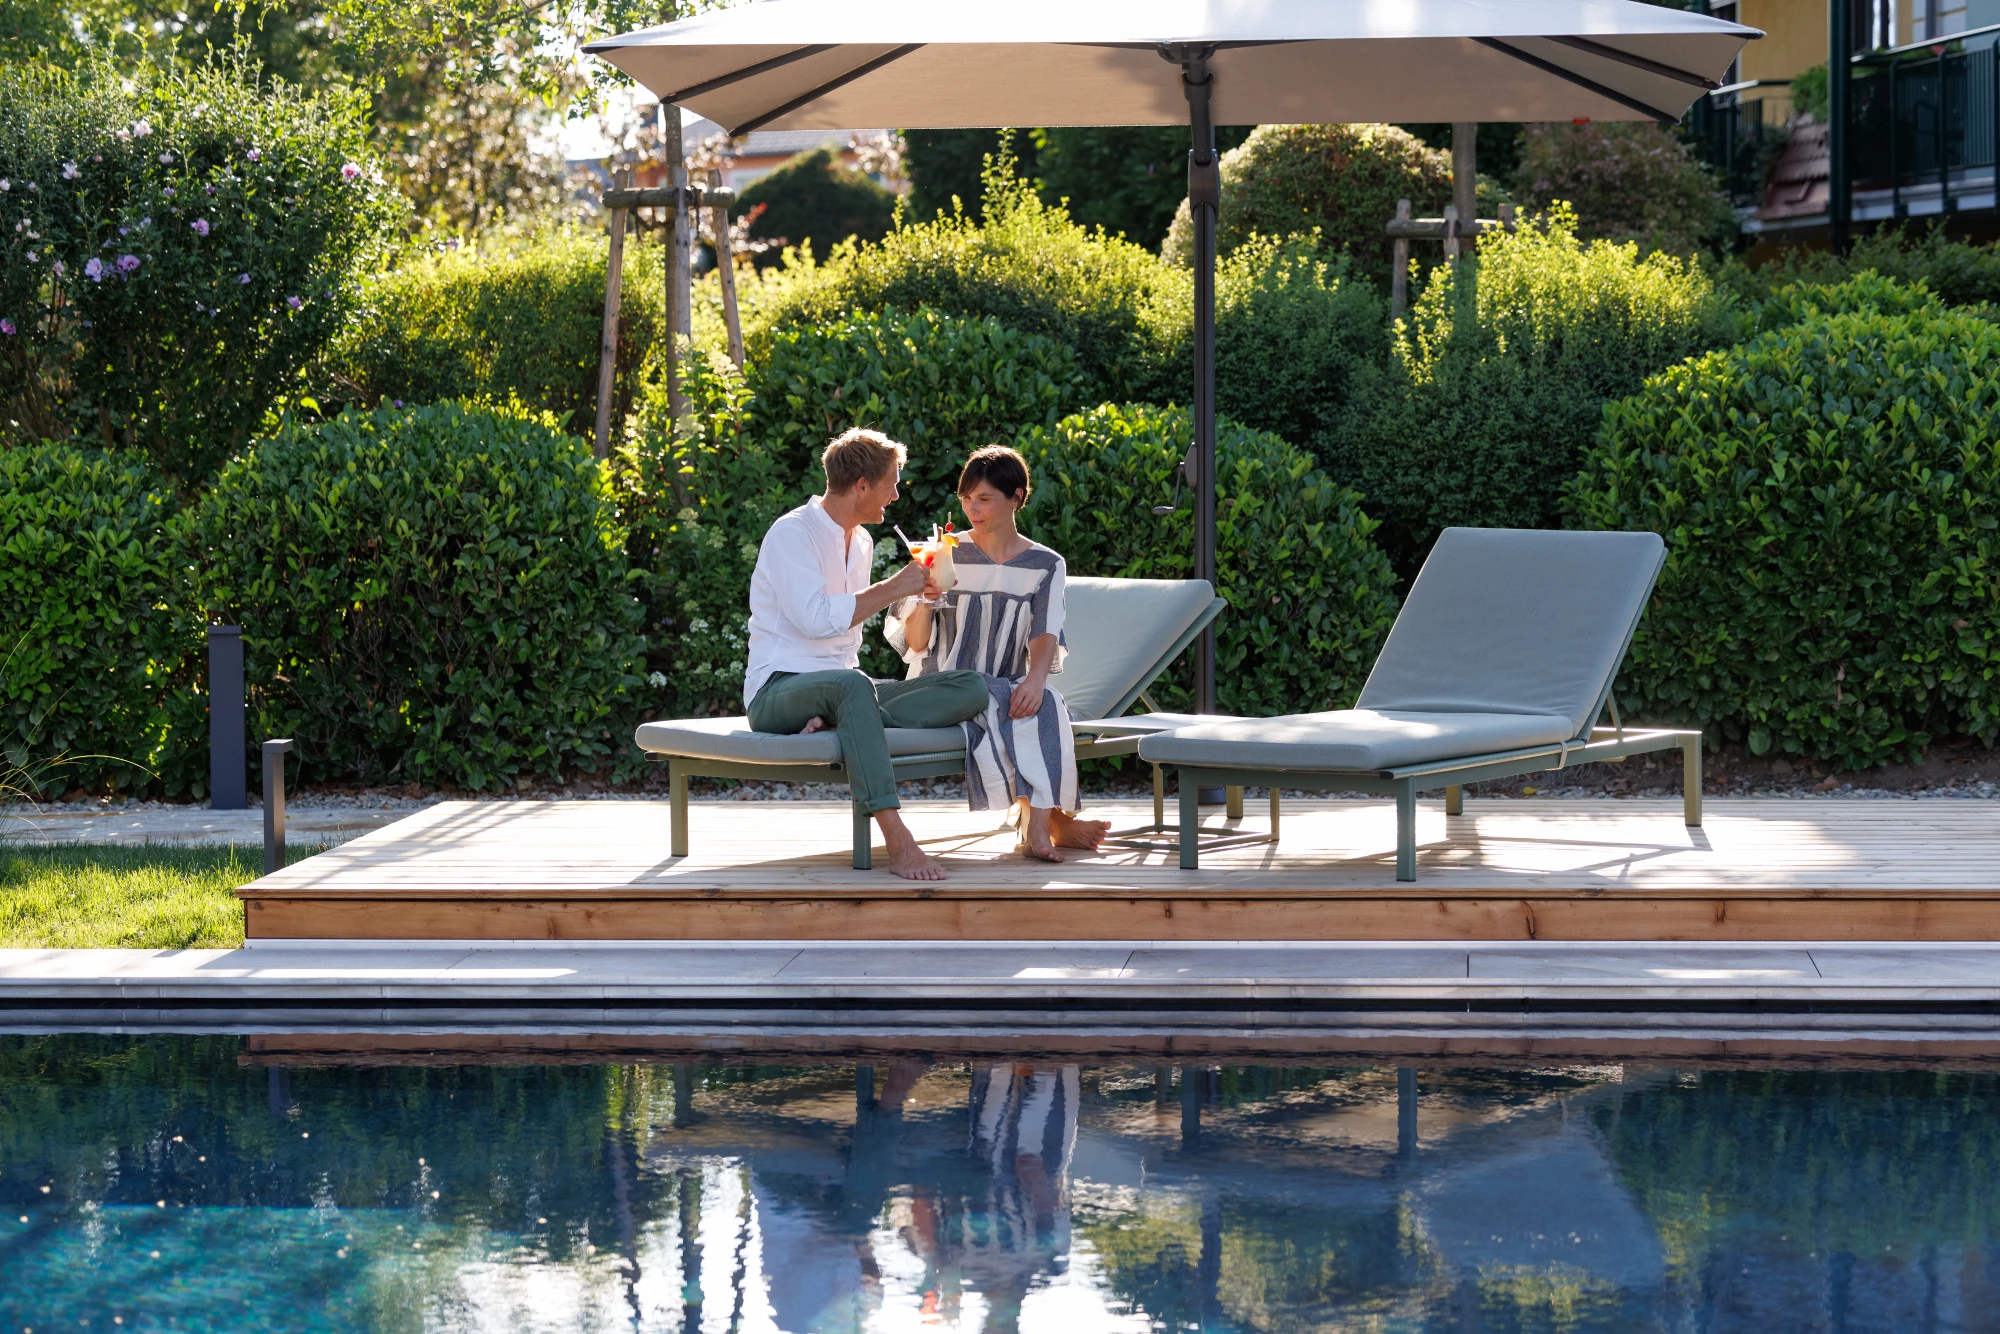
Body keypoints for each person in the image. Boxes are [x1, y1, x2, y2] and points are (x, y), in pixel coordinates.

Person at [744, 428, 988, 881]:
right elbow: (816, 620)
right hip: (778, 688)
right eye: (891, 483)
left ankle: (847, 718)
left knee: (970, 685)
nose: (895, 494)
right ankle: (898, 841)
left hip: (842, 686)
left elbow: (849, 630)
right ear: (861, 485)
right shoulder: (791, 534)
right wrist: (896, 585)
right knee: (853, 686)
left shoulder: (860, 541)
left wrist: (917, 595)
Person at [887, 446, 1110, 862]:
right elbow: (916, 645)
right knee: (998, 696)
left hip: (1002, 684)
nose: (972, 507)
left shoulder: (1045, 564)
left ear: (1017, 498)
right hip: (942, 684)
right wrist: (923, 599)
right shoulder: (944, 552)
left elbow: (1044, 632)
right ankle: (1057, 825)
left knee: (1044, 702)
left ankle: (1039, 832)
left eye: (984, 498)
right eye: (966, 497)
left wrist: (1037, 678)